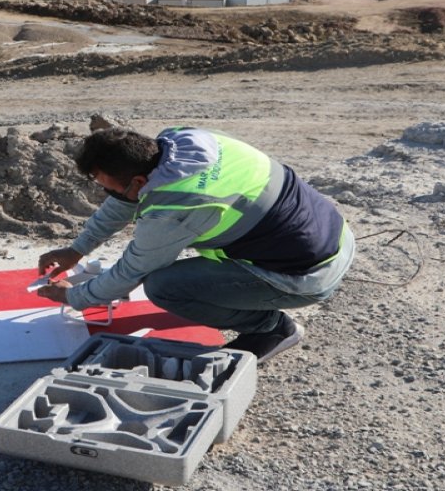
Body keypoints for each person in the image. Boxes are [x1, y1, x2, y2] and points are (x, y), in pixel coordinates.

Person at [36, 126, 355, 364]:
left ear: (138, 182)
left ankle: (272, 328)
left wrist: (75, 296)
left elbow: (133, 269)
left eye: (111, 188)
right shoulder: (179, 143)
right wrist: (77, 249)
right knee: (166, 265)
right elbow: (125, 200)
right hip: (334, 235)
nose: (112, 196)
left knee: (163, 286)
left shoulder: (177, 206)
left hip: (306, 275)